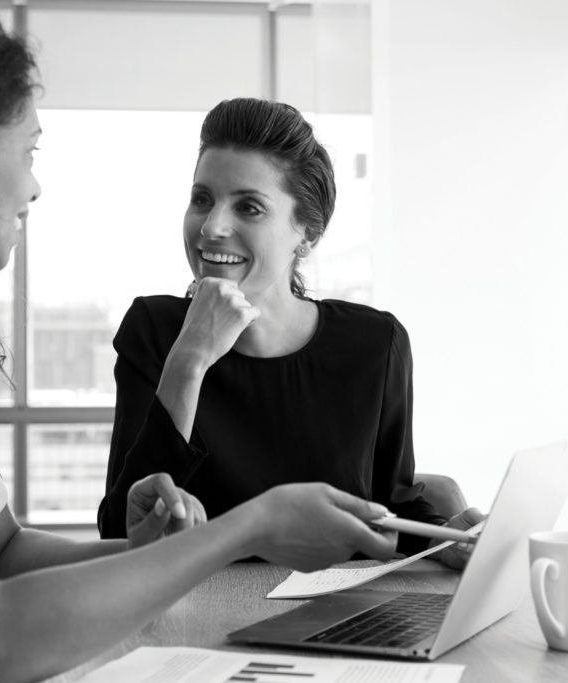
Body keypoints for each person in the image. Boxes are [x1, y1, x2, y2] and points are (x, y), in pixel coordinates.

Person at [0, 2, 400, 681]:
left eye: (248, 205)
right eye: (27, 153)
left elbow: (1, 549)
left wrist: (147, 550)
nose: (34, 186)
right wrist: (248, 527)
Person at [97, 97, 483, 565]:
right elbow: (121, 530)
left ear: (308, 233)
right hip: (199, 618)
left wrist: (444, 538)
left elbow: (391, 503)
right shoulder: (154, 332)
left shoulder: (375, 345)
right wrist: (190, 358)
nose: (213, 225)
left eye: (249, 208)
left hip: (339, 617)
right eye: (203, 199)